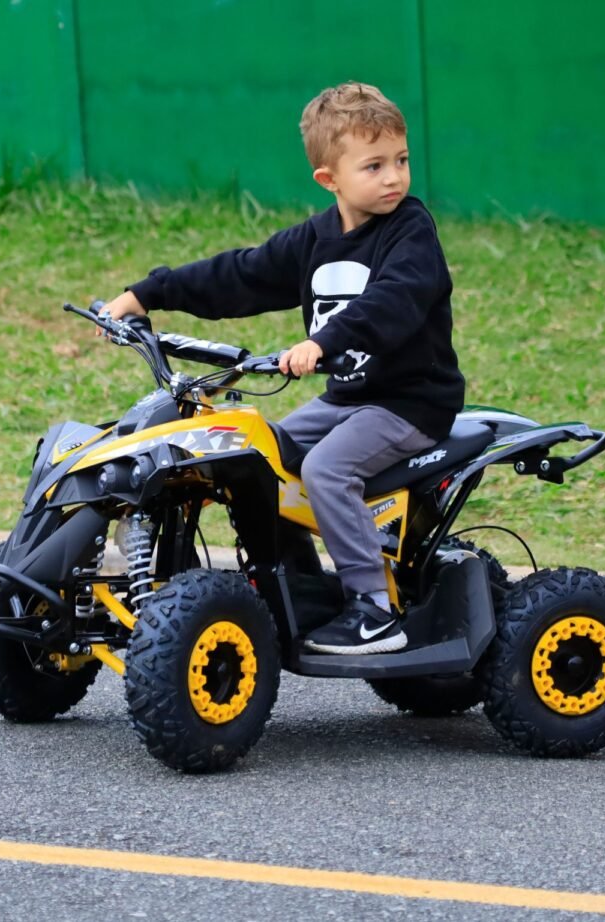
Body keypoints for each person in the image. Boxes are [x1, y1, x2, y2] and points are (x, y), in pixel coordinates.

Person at [99, 81, 464, 655]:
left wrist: (322, 341)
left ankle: (373, 611)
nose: (394, 177)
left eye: (401, 160)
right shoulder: (316, 240)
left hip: (409, 402)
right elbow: (240, 274)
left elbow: (394, 300)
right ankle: (297, 582)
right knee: (261, 456)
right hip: (350, 397)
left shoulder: (410, 232)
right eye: (374, 166)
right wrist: (146, 293)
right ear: (330, 179)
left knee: (325, 470)